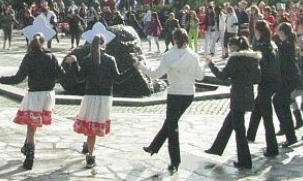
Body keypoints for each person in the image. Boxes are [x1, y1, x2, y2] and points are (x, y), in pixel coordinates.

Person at [0, 33, 69, 170]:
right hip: (48, 95)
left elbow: (18, 78)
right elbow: (62, 76)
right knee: (33, 126)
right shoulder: (51, 57)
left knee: (31, 128)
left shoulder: (29, 57)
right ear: (43, 43)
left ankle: (29, 158)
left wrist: (0, 79)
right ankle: (26, 148)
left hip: (35, 94)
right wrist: (70, 65)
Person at [137, 28, 205, 173]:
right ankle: (154, 147)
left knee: (172, 127)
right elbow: (200, 76)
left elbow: (155, 74)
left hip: (175, 93)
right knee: (170, 123)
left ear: (174, 39)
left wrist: (140, 66)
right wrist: (203, 66)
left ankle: (175, 161)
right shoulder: (193, 56)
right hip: (188, 94)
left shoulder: (168, 56)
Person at [69, 34, 131, 168]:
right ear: (105, 45)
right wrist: (134, 69)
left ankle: (88, 147)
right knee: (95, 125)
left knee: (90, 123)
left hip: (90, 96)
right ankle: (90, 156)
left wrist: (74, 63)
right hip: (105, 97)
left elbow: (79, 78)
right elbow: (118, 79)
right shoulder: (110, 59)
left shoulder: (87, 59)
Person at [204, 36, 261, 170]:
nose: (229, 49)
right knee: (229, 123)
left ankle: (245, 161)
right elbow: (258, 78)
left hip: (238, 95)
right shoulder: (253, 58)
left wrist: (211, 64)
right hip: (248, 94)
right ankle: (216, 147)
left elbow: (222, 76)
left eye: (230, 46)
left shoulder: (235, 59)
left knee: (239, 130)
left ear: (235, 46)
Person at [246, 20, 280, 157]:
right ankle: (250, 135)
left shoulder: (262, 47)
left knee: (267, 116)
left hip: (265, 83)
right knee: (257, 107)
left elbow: (258, 67)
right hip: (273, 82)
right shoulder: (272, 44)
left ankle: (272, 147)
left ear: (258, 31)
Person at [273, 22, 301, 147]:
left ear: (283, 32)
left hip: (288, 79)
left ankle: (291, 136)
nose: (277, 33)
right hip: (288, 78)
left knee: (282, 104)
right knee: (278, 102)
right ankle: (285, 127)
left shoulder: (285, 46)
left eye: (278, 31)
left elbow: (283, 65)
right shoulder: (285, 44)